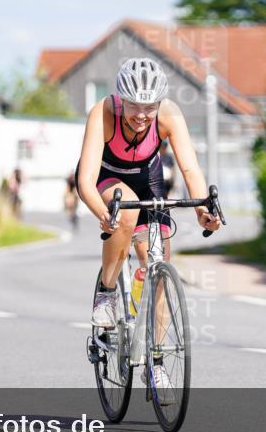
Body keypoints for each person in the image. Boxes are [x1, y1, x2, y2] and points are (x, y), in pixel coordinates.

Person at [76, 58, 221, 389]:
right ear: (121, 99)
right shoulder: (103, 112)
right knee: (124, 214)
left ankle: (155, 364)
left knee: (158, 263)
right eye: (135, 107)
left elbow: (189, 169)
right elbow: (85, 180)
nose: (142, 116)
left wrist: (202, 212)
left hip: (148, 180)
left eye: (150, 107)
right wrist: (102, 213)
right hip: (106, 178)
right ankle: (107, 290)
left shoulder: (169, 114)